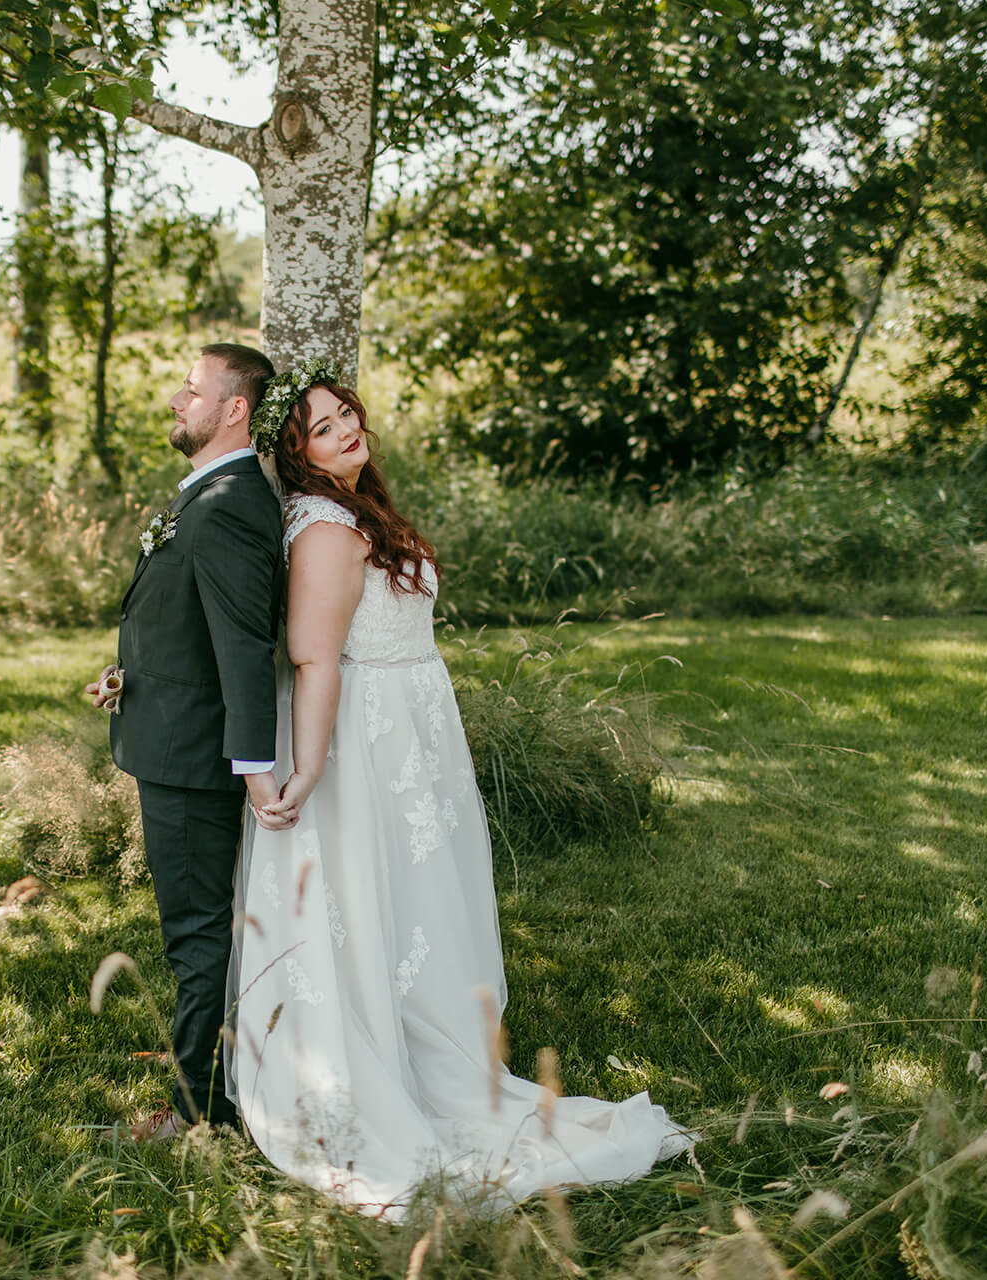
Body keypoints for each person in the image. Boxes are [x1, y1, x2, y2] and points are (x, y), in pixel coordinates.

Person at [225, 359, 694, 1218]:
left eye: (346, 416)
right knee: (373, 903)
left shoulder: (359, 509)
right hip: (362, 743)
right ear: (297, 457)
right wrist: (317, 765)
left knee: (418, 905)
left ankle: (430, 1050)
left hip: (411, 736)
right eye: (322, 429)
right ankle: (374, 1078)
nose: (346, 432)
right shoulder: (326, 528)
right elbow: (314, 656)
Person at [85, 342, 291, 1141]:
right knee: (198, 928)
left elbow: (244, 647)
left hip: (197, 760)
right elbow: (193, 625)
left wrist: (253, 769)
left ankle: (199, 1115)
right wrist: (133, 670)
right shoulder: (210, 494)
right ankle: (213, 1093)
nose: (176, 399)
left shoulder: (233, 503)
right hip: (169, 734)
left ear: (233, 409)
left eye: (192, 389)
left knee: (196, 934)